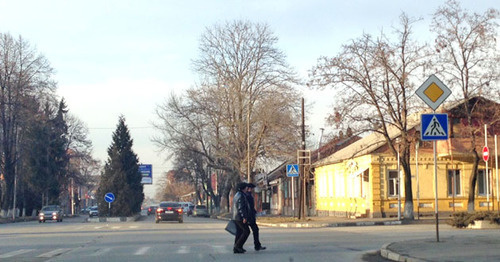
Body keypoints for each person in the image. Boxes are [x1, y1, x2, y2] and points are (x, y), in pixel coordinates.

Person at [245, 183, 266, 251]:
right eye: (251, 188)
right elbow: (248, 207)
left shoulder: (248, 195)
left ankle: (257, 245)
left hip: (250, 215)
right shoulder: (248, 196)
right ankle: (257, 245)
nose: (252, 190)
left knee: (253, 230)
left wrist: (254, 211)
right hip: (249, 216)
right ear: (248, 188)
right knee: (254, 230)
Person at [232, 182, 251, 254]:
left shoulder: (237, 194)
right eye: (246, 187)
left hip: (236, 216)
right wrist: (244, 217)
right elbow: (241, 207)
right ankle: (238, 246)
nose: (247, 189)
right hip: (240, 217)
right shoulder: (241, 196)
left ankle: (236, 248)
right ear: (244, 188)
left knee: (239, 232)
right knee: (246, 231)